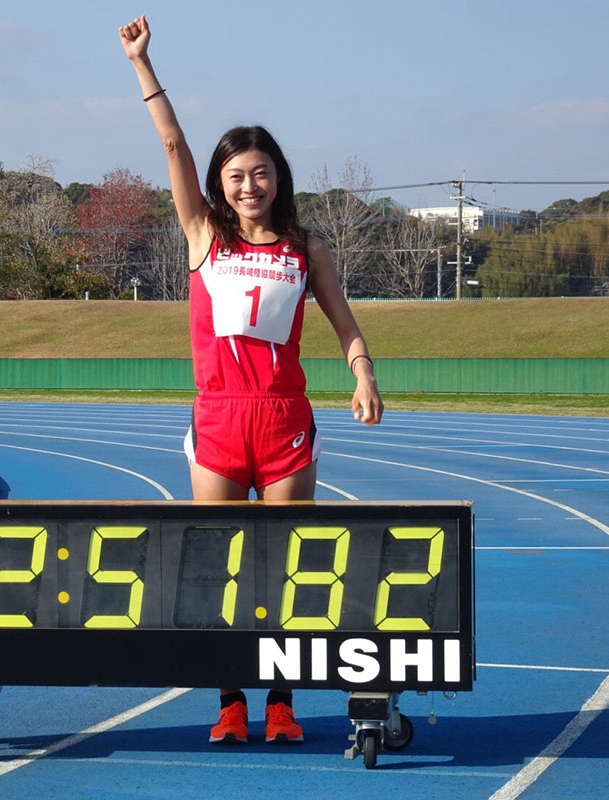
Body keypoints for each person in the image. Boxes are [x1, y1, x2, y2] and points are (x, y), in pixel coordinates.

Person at [119, 14, 383, 745]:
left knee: (286, 569)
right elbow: (171, 142)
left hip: (284, 422)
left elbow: (345, 324)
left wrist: (362, 375)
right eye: (235, 176)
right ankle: (230, 703)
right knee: (219, 566)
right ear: (219, 185)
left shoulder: (308, 247)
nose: (249, 185)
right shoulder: (204, 236)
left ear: (278, 178)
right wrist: (144, 65)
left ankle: (281, 705)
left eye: (260, 172)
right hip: (219, 424)